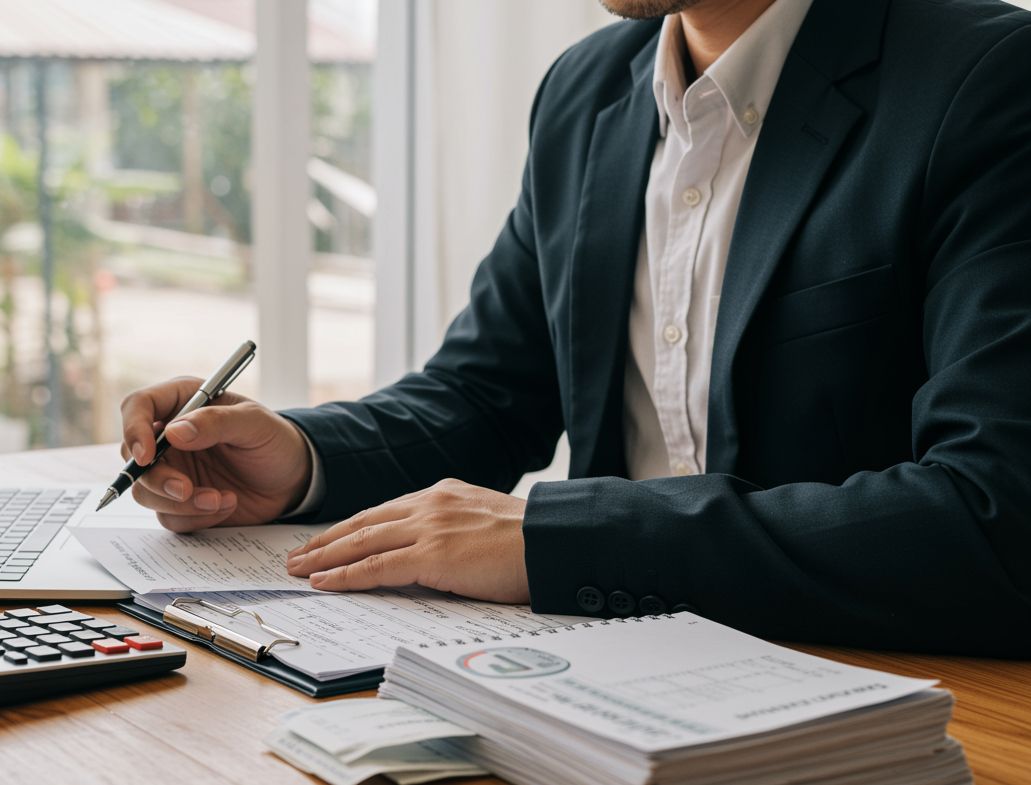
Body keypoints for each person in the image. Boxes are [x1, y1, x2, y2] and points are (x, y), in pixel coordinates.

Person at [120, 0, 1031, 658]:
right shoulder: (586, 89)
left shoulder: (985, 81)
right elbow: (485, 395)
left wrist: (556, 537)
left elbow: (997, 514)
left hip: (867, 692)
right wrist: (298, 456)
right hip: (591, 676)